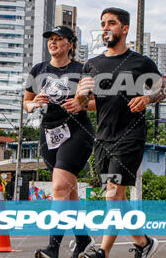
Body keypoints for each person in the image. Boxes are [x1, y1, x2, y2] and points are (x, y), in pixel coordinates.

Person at [76, 8, 166, 258]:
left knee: (114, 192)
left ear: (124, 28)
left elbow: (161, 91)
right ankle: (143, 242)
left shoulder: (141, 62)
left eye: (111, 23)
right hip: (103, 137)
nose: (106, 28)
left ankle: (102, 251)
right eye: (103, 23)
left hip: (131, 135)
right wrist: (80, 95)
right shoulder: (92, 64)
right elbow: (85, 103)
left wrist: (147, 99)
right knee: (117, 196)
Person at [24, 25, 95, 258]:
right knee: (70, 192)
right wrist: (34, 104)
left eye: (59, 39)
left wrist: (81, 103)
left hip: (77, 131)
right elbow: (26, 102)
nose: (53, 43)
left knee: (59, 188)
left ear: (70, 44)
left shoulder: (82, 70)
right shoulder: (38, 70)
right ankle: (83, 239)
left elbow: (98, 102)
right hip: (49, 133)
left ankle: (52, 248)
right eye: (50, 39)